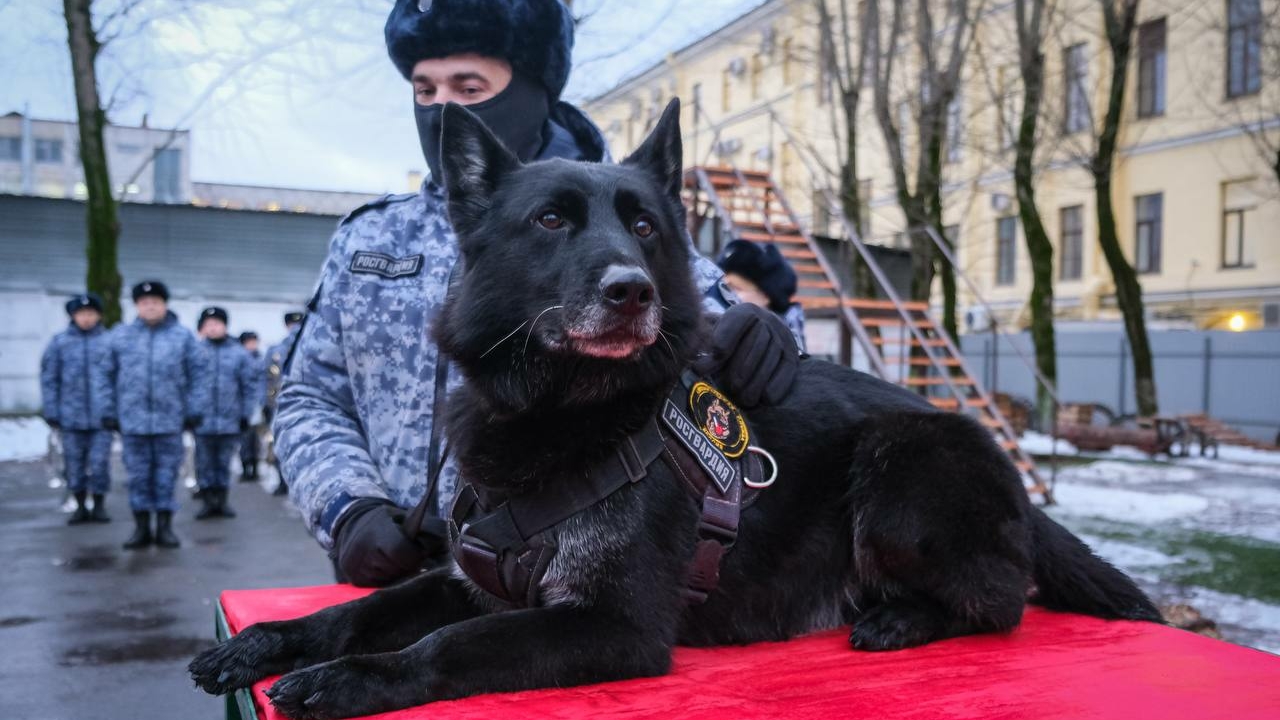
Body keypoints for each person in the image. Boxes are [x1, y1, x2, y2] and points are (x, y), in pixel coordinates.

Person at [274, 0, 801, 588]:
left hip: (560, 587)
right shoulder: (369, 239)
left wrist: (769, 334)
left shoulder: (628, 221)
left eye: (468, 85)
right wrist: (348, 508)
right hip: (390, 580)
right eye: (424, 89)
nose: (442, 107)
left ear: (532, 90)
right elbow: (309, 395)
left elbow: (726, 350)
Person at [98, 281, 200, 549]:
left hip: (170, 421)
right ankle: (141, 528)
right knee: (138, 477)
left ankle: (165, 528)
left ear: (165, 304)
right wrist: (108, 411)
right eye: (145, 302)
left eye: (155, 301)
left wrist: (193, 410)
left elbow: (197, 376)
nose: (150, 306)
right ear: (136, 306)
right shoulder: (120, 336)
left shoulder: (182, 336)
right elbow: (104, 375)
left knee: (166, 475)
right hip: (132, 422)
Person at [40, 292, 113, 524]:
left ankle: (99, 505)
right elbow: (49, 379)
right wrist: (52, 410)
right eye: (81, 314)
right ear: (73, 316)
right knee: (74, 463)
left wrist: (115, 411)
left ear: (98, 315)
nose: (86, 318)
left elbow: (118, 379)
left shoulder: (109, 342)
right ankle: (80, 505)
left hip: (102, 418)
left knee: (100, 463)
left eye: (91, 313)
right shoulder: (60, 343)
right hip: (70, 417)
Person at [191, 307, 256, 519]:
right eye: (208, 324)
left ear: (225, 326)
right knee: (204, 463)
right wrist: (189, 413)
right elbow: (186, 384)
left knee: (224, 463)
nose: (213, 328)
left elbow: (248, 386)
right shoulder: (195, 352)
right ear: (203, 327)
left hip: (230, 420)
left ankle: (222, 501)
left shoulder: (239, 354)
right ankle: (208, 501)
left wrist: (246, 414)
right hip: (202, 420)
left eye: (217, 323)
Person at [716, 240, 807, 353]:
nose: (724, 295)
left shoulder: (781, 344)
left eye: (736, 289)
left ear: (766, 297)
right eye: (722, 287)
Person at [262, 311, 303, 496]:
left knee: (284, 442)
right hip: (285, 404)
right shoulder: (277, 349)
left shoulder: (278, 348)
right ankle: (284, 481)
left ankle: (286, 482)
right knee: (283, 443)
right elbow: (267, 377)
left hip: (285, 405)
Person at [236, 331, 265, 482]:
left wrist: (262, 401)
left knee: (256, 438)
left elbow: (264, 382)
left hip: (256, 404)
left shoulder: (262, 359)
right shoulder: (237, 359)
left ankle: (254, 467)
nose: (252, 345)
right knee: (244, 439)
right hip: (240, 405)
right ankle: (245, 467)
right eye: (249, 342)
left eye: (254, 341)